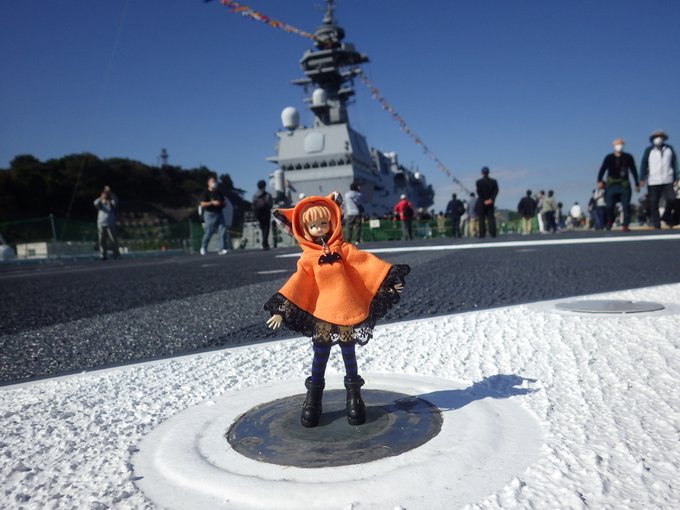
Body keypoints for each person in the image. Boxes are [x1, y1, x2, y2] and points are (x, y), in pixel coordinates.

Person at [265, 193, 410, 427]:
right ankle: (314, 398)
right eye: (313, 225)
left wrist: (387, 282)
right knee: (320, 354)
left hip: (346, 308)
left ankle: (354, 396)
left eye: (323, 223)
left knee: (348, 353)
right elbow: (298, 283)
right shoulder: (308, 258)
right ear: (304, 229)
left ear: (332, 222)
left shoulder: (344, 249)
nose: (319, 228)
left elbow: (365, 265)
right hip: (322, 312)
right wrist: (281, 309)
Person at [597, 138, 640, 232]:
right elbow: (603, 169)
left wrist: (637, 183)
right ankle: (610, 221)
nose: (619, 146)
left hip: (624, 185)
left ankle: (625, 224)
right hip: (611, 185)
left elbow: (633, 170)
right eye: (617, 144)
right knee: (609, 205)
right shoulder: (609, 157)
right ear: (613, 146)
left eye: (620, 144)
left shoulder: (628, 157)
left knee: (626, 205)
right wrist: (599, 180)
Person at [639, 130, 678, 229]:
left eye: (660, 137)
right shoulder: (649, 150)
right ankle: (656, 222)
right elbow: (644, 164)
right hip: (653, 180)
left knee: (672, 199)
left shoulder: (669, 149)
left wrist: (676, 176)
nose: (659, 139)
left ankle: (666, 216)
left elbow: (675, 163)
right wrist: (642, 178)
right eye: (656, 137)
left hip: (668, 179)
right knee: (653, 202)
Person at [199, 176, 228, 255]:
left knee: (222, 230)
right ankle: (203, 247)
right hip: (209, 214)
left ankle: (222, 248)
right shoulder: (205, 192)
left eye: (215, 181)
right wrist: (212, 203)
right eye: (212, 182)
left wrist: (224, 204)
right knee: (209, 232)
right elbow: (202, 204)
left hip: (219, 213)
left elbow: (223, 201)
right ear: (208, 183)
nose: (214, 183)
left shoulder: (219, 192)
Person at [93, 185, 120, 260]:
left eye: (106, 194)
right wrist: (101, 197)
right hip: (101, 223)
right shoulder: (99, 203)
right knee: (101, 240)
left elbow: (115, 201)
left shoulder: (111, 202)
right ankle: (103, 255)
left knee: (113, 240)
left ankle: (116, 254)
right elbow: (95, 202)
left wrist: (110, 193)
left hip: (110, 223)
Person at [475, 167, 498, 238]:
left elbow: (479, 192)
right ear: (488, 172)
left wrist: (484, 200)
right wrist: (491, 199)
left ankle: (482, 233)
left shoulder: (478, 182)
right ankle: (493, 232)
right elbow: (496, 191)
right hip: (490, 202)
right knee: (490, 217)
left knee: (481, 218)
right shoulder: (494, 181)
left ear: (482, 173)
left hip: (482, 202)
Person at [252, 180, 274, 249]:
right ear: (264, 186)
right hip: (266, 213)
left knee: (262, 228)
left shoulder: (255, 195)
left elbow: (253, 205)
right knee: (266, 228)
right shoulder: (267, 195)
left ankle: (264, 243)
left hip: (258, 214)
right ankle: (265, 243)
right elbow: (270, 204)